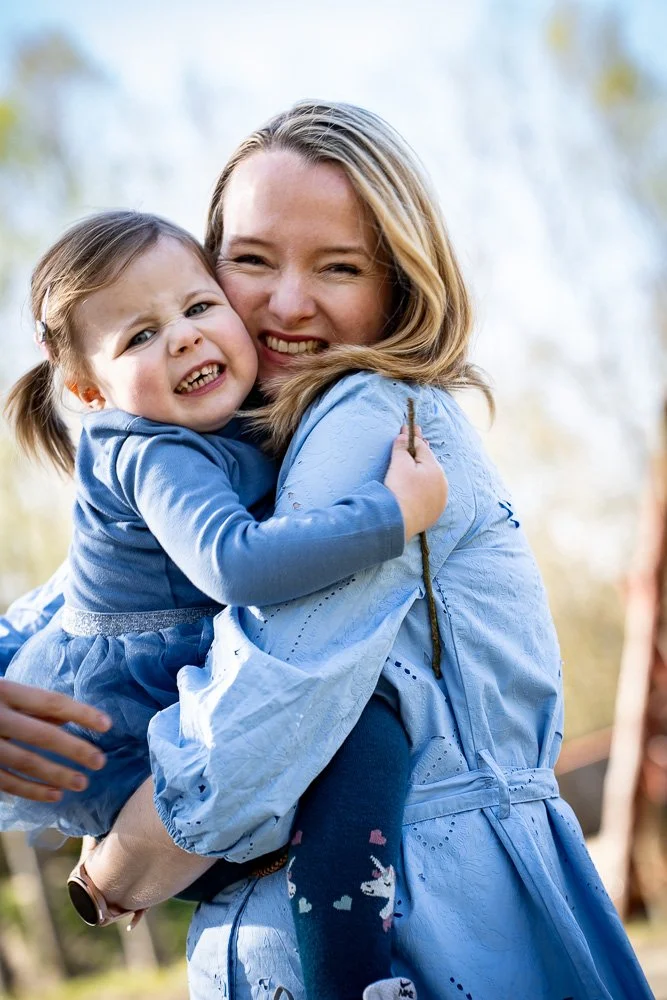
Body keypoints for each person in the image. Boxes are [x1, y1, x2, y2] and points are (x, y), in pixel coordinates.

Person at [4, 100, 654, 1000]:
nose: (286, 304)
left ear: (399, 285)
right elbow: (103, 590)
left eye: (338, 267)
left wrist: (111, 869)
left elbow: (263, 711)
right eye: (251, 261)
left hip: (442, 926)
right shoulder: (232, 439)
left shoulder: (363, 417)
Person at [0, 207, 445, 854]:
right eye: (140, 336)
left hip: (148, 685)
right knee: (362, 745)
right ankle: (354, 958)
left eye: (200, 307)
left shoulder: (226, 415)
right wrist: (391, 515)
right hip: (107, 726)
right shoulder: (154, 453)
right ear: (90, 392)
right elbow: (234, 564)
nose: (182, 338)